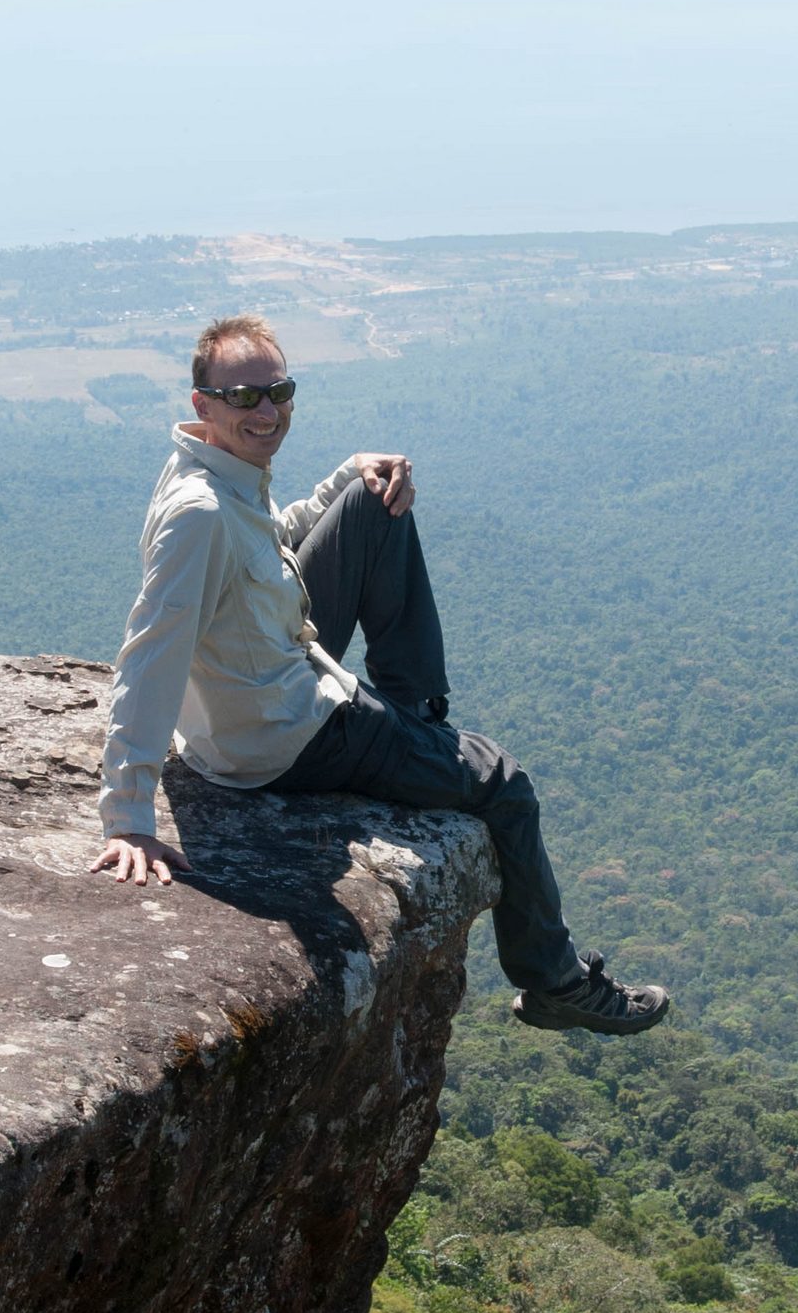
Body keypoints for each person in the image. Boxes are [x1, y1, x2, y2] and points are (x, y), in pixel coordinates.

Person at [89, 313, 670, 1035]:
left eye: (279, 391)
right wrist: (129, 815)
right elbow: (150, 651)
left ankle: (416, 721)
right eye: (244, 398)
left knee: (375, 498)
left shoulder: (214, 468)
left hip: (266, 665)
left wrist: (349, 476)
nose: (266, 411)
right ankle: (554, 981)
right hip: (282, 734)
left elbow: (271, 550)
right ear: (202, 404)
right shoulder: (200, 513)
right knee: (503, 783)